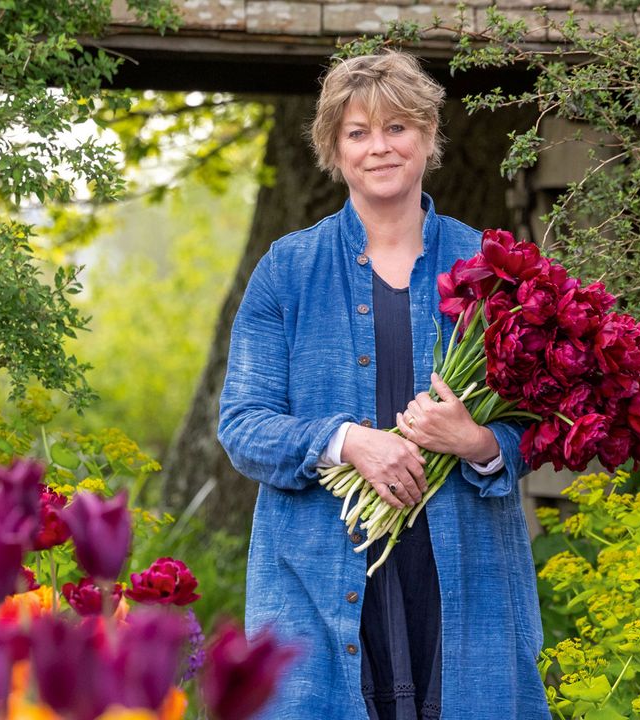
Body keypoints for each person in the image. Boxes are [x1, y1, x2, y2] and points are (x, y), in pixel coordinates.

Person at [217, 51, 550, 719]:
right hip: (317, 575)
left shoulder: (490, 267)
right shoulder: (288, 271)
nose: (380, 148)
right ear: (333, 150)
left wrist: (478, 441)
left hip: (463, 574)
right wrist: (344, 443)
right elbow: (243, 426)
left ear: (428, 137)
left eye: (398, 128)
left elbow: (542, 420)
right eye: (358, 132)